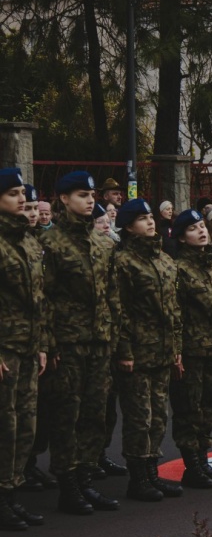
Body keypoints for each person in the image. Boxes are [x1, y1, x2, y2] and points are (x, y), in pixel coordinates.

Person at [40, 171, 122, 516]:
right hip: (68, 342)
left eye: (91, 195)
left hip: (99, 341)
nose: (89, 201)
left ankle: (86, 478)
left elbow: (113, 296)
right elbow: (43, 298)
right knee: (66, 414)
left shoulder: (103, 243)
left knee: (94, 413)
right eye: (81, 195)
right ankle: (68, 485)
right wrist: (50, 344)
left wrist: (115, 337)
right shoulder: (50, 243)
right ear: (63, 199)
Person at [110, 199, 184, 502]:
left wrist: (176, 347)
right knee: (139, 417)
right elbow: (119, 310)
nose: (151, 222)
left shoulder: (164, 259)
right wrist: (124, 350)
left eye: (151, 216)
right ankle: (138, 478)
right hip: (138, 351)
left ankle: (152, 472)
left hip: (162, 350)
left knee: (158, 416)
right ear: (129, 227)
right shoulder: (123, 262)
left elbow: (174, 309)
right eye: (142, 218)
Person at [0, 168, 49, 531]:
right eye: (13, 193)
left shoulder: (29, 241)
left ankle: (12, 495)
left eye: (22, 192)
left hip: (29, 347)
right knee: (5, 425)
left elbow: (39, 299)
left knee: (25, 425)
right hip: (5, 349)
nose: (21, 198)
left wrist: (42, 344)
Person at [170, 209, 212, 488]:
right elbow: (175, 313)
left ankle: (203, 460)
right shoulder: (179, 269)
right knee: (188, 408)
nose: (201, 231)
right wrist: (177, 352)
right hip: (190, 351)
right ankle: (191, 465)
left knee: (209, 406)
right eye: (193, 228)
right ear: (182, 238)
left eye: (202, 226)